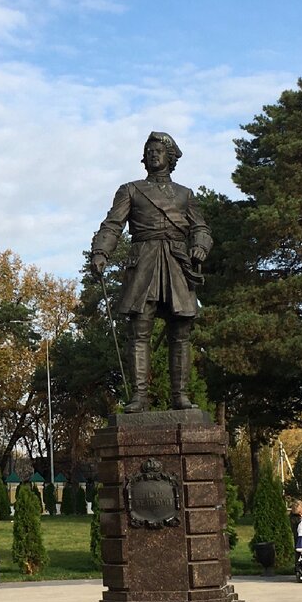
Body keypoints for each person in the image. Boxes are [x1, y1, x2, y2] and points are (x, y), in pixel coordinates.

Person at [90, 131, 212, 412]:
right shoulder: (130, 190)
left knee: (180, 331)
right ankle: (139, 398)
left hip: (176, 261)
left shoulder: (185, 194)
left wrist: (201, 246)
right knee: (139, 331)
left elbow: (201, 228)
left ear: (170, 157)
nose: (152, 154)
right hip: (144, 260)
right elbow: (112, 225)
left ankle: (180, 397)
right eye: (148, 150)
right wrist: (100, 252)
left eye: (158, 150)